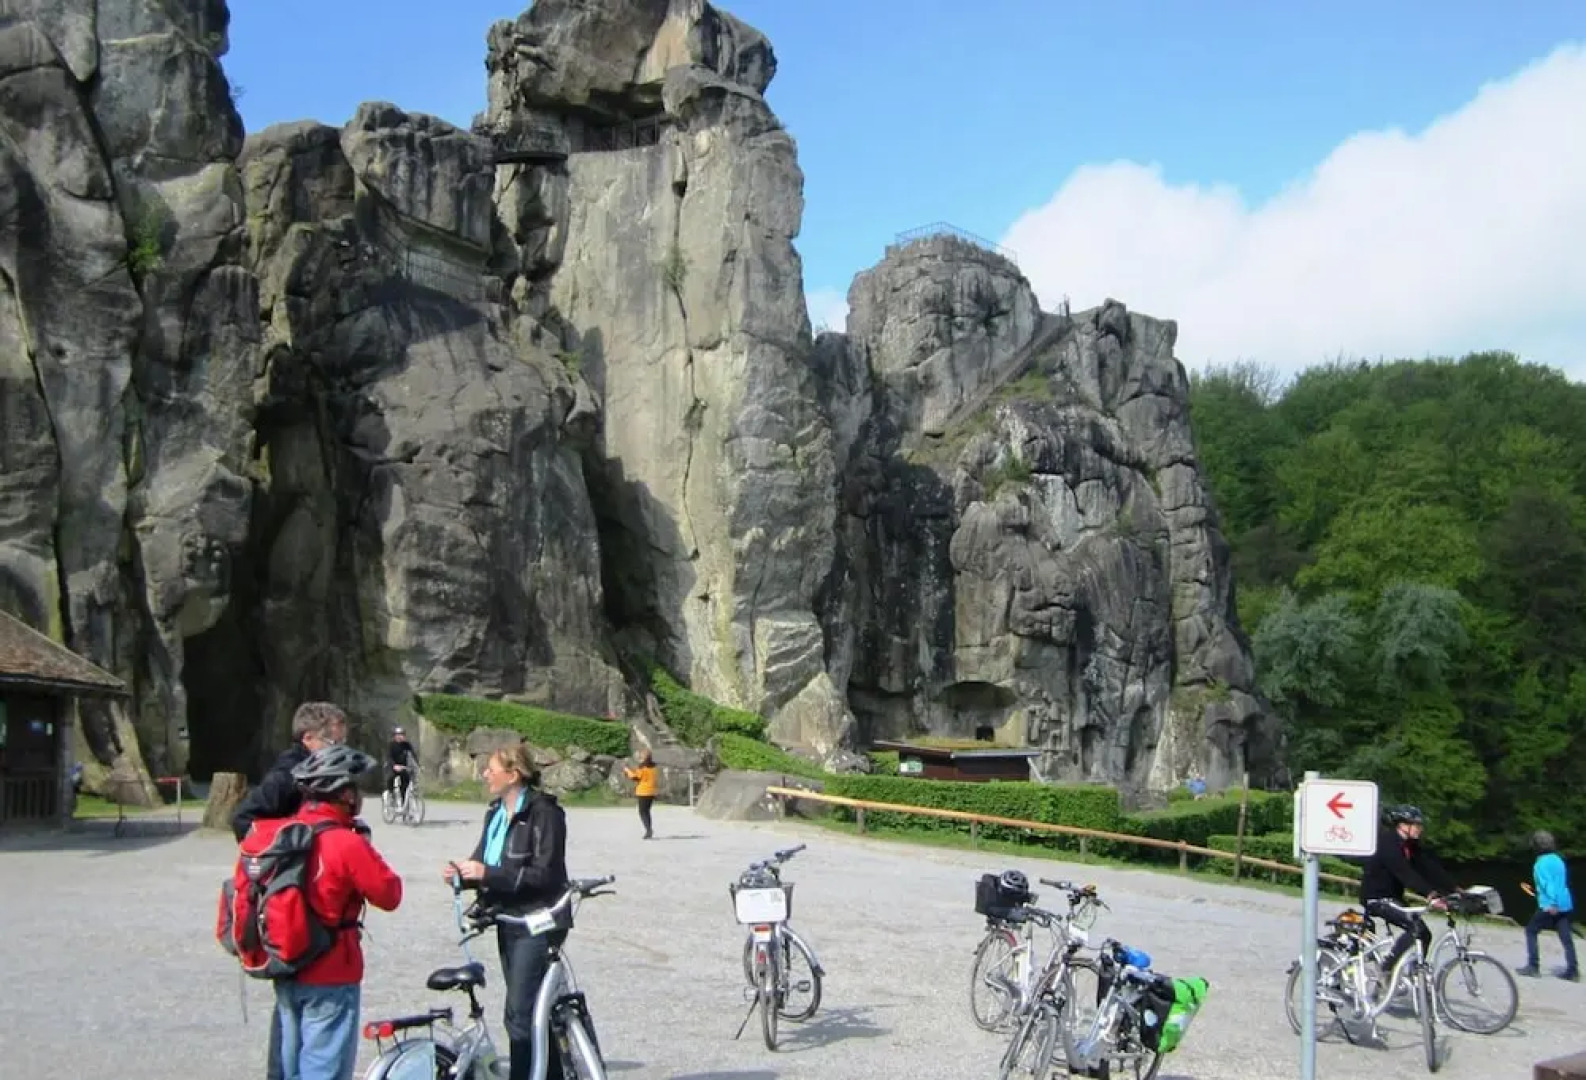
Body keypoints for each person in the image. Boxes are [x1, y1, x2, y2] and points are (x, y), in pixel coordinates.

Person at [266, 744, 403, 1080]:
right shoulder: (345, 842)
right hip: (331, 970)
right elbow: (390, 895)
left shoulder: (283, 833)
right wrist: (365, 847)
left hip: (285, 963)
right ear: (344, 793)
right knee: (324, 1069)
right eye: (355, 788)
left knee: (287, 1069)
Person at [231, 701, 350, 1080]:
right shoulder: (289, 774)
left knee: (293, 1005)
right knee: (297, 1004)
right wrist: (286, 855)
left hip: (309, 899)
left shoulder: (316, 772)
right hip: (289, 897)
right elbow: (244, 818)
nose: (340, 747)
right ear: (310, 738)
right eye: (335, 740)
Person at [441, 744, 570, 1080]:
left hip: (538, 919)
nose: (485, 774)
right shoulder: (495, 814)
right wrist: (462, 874)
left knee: (520, 1014)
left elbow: (545, 874)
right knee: (533, 1010)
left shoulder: (545, 814)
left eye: (491, 769)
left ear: (513, 775)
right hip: (508, 918)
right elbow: (484, 862)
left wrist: (487, 873)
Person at [1358, 804, 1457, 976]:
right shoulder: (1387, 843)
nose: (1420, 828)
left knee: (1424, 934)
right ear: (1402, 825)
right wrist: (1431, 895)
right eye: (1416, 824)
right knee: (1415, 929)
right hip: (1377, 898)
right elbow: (1405, 873)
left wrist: (1455, 889)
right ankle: (1386, 969)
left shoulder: (1409, 845)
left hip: (1393, 898)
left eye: (1420, 824)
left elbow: (1429, 868)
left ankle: (1413, 976)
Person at [1518, 829, 1578, 981]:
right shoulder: (1558, 860)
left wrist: (1552, 903)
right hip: (1565, 902)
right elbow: (1560, 882)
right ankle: (1573, 970)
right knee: (1566, 937)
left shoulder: (1540, 864)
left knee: (1531, 930)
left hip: (1550, 905)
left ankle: (1533, 966)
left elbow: (1548, 884)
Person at [624, 749, 659, 839]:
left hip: (643, 792)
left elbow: (635, 777)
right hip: (652, 791)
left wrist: (627, 771)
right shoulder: (654, 767)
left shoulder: (642, 767)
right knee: (647, 811)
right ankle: (649, 828)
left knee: (642, 812)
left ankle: (648, 830)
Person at [386, 726, 419, 806]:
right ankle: (391, 794)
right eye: (397, 735)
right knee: (390, 778)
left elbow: (413, 755)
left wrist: (418, 765)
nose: (400, 736)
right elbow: (389, 757)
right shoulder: (391, 745)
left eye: (401, 734)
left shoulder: (406, 745)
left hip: (403, 767)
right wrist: (394, 765)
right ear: (394, 736)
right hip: (393, 766)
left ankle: (404, 803)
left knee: (405, 783)